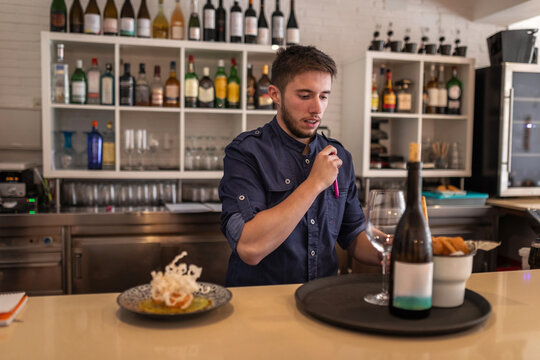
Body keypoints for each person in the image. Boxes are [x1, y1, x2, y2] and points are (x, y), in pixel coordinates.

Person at [219, 45, 380, 286]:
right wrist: (314, 183)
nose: (316, 108)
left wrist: (398, 249)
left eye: (323, 96)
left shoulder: (339, 156)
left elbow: (354, 236)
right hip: (259, 307)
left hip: (320, 302)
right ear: (275, 94)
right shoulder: (246, 152)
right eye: (305, 96)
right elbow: (250, 248)